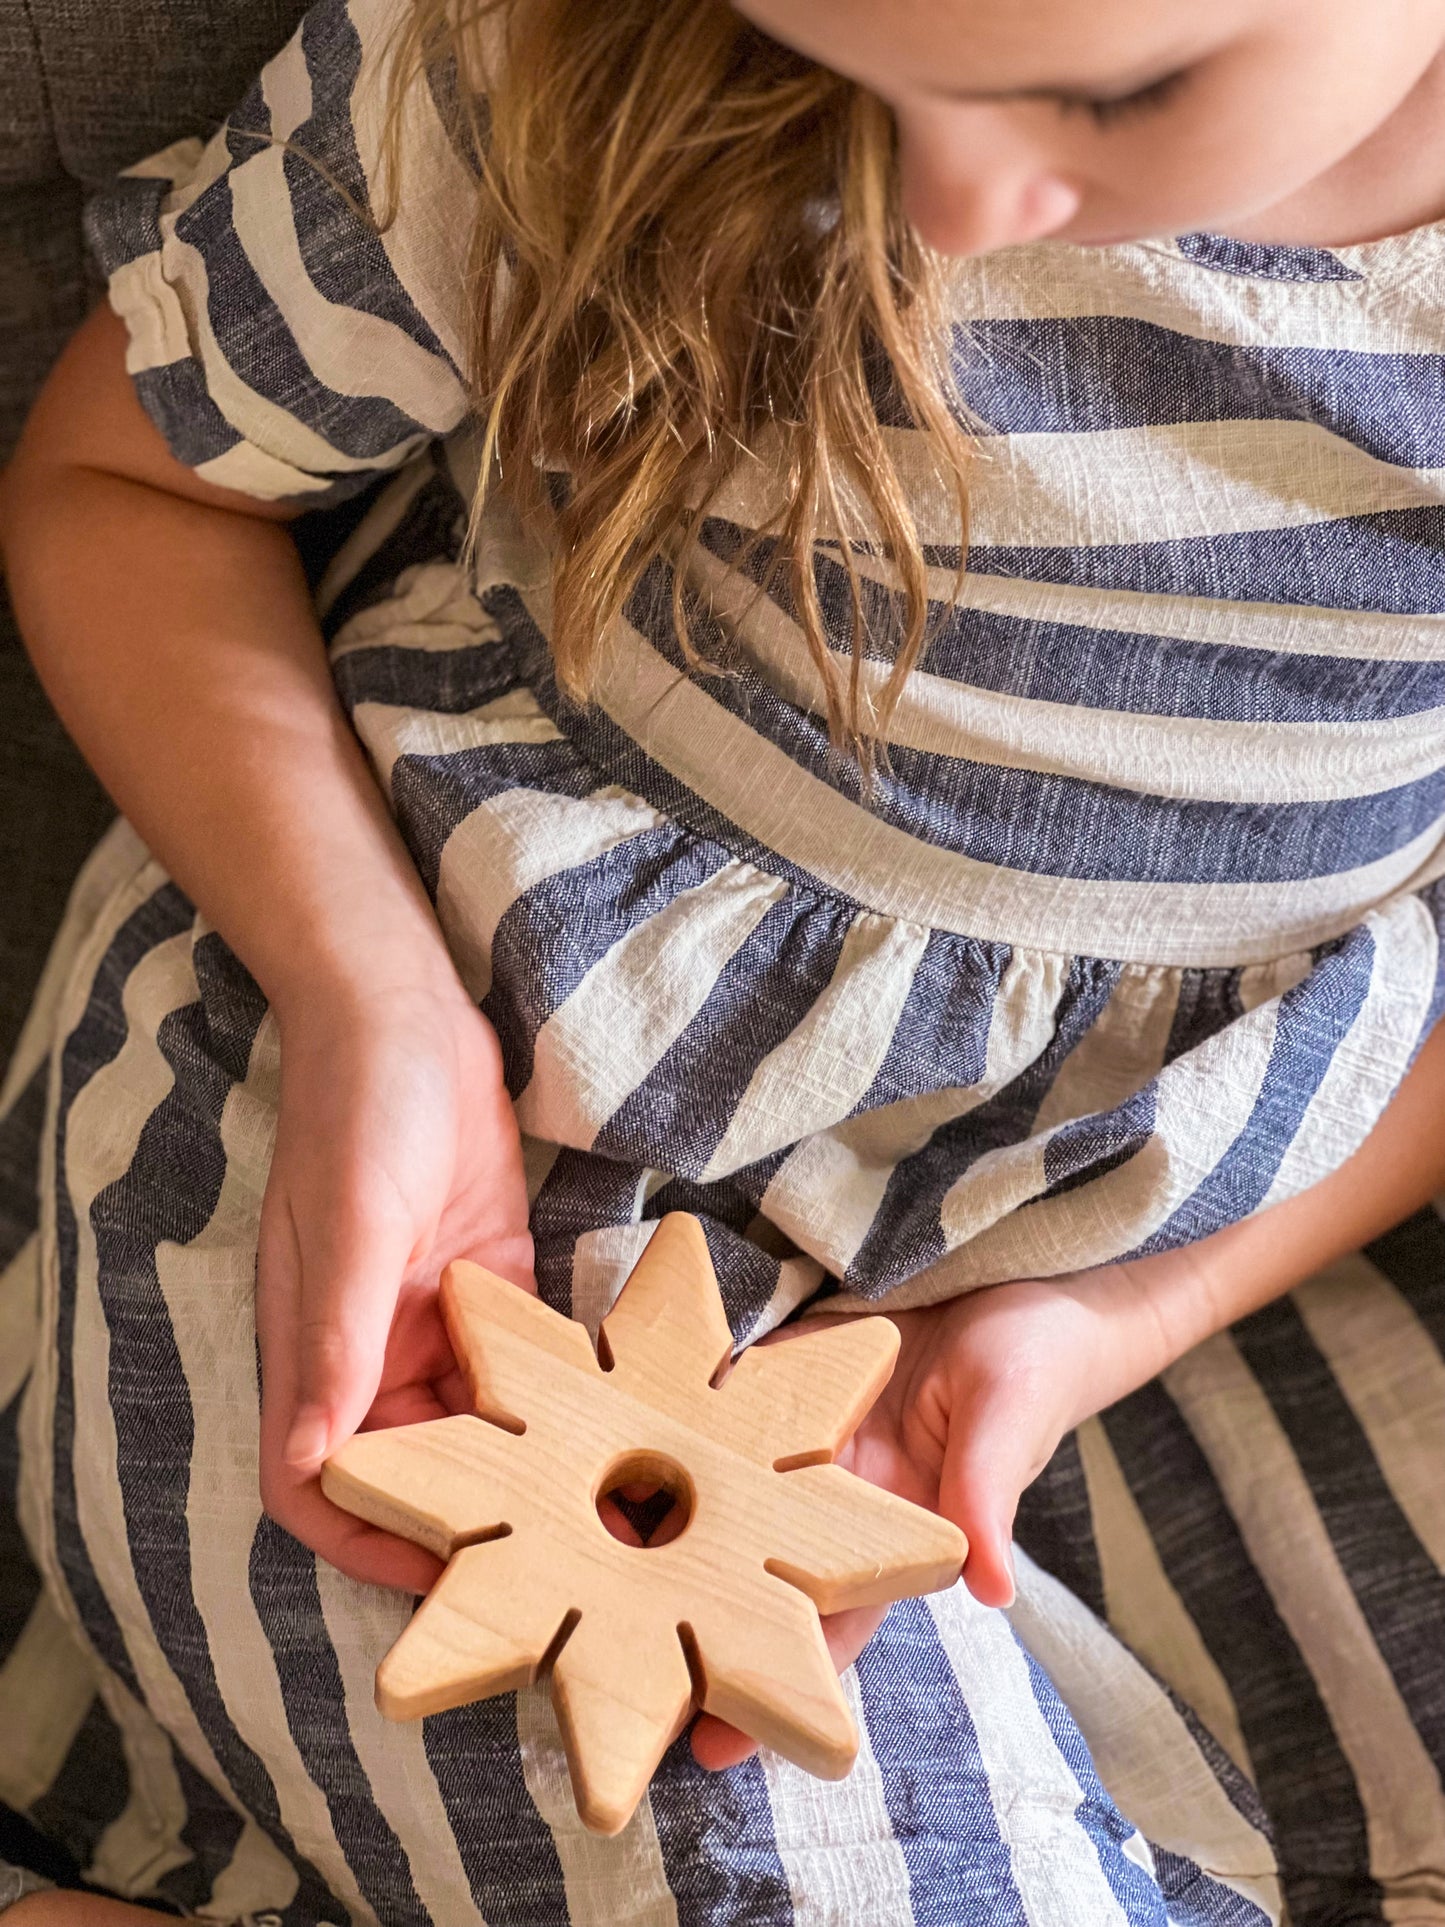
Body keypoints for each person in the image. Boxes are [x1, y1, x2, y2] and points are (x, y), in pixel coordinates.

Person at [1, 0, 1444, 1917]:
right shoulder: (553, 51)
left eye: (1120, 88)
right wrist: (372, 1002)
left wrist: (1102, 1328)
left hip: (1178, 1250)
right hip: (491, 1124)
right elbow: (127, 484)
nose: (949, 199)